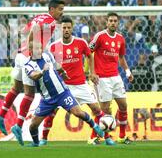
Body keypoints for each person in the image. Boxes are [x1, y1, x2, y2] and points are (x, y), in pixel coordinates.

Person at [0, 0, 64, 145]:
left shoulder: (39, 16)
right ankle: (18, 126)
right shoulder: (50, 21)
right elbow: (33, 30)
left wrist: (29, 45)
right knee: (29, 94)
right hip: (27, 57)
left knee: (16, 88)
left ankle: (0, 117)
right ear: (52, 9)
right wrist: (33, 51)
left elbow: (24, 31)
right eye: (60, 9)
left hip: (20, 54)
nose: (62, 12)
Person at [41, 16, 111, 146]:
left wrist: (92, 72)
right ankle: (44, 139)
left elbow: (90, 56)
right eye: (64, 28)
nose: (66, 30)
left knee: (96, 109)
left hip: (80, 84)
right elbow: (49, 65)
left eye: (68, 27)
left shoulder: (81, 42)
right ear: (59, 29)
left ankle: (107, 137)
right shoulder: (53, 46)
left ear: (72, 28)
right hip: (62, 86)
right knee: (52, 112)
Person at [24, 40, 104, 147]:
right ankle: (36, 143)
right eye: (36, 49)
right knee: (33, 125)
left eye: (39, 48)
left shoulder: (47, 55)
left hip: (62, 93)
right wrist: (43, 71)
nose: (39, 50)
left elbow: (56, 65)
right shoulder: (28, 65)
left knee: (78, 112)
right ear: (30, 51)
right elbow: (33, 76)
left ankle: (94, 126)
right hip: (47, 100)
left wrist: (63, 72)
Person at [89, 12, 134, 144]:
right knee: (105, 109)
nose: (113, 23)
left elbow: (121, 57)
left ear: (118, 23)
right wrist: (92, 73)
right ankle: (94, 137)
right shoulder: (100, 36)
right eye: (110, 21)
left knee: (123, 105)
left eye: (115, 21)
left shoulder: (120, 38)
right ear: (107, 22)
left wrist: (127, 72)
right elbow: (88, 52)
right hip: (101, 78)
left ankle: (122, 136)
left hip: (115, 77)